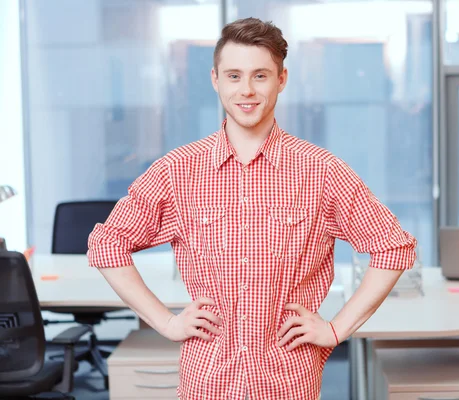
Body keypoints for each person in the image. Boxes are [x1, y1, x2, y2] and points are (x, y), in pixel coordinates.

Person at [88, 17, 417, 400]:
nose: (246, 90)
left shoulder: (321, 170)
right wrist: (166, 322)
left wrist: (334, 330)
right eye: (233, 76)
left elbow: (393, 246)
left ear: (282, 79)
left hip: (288, 378)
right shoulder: (177, 170)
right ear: (215, 79)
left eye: (260, 76)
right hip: (208, 378)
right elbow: (107, 243)